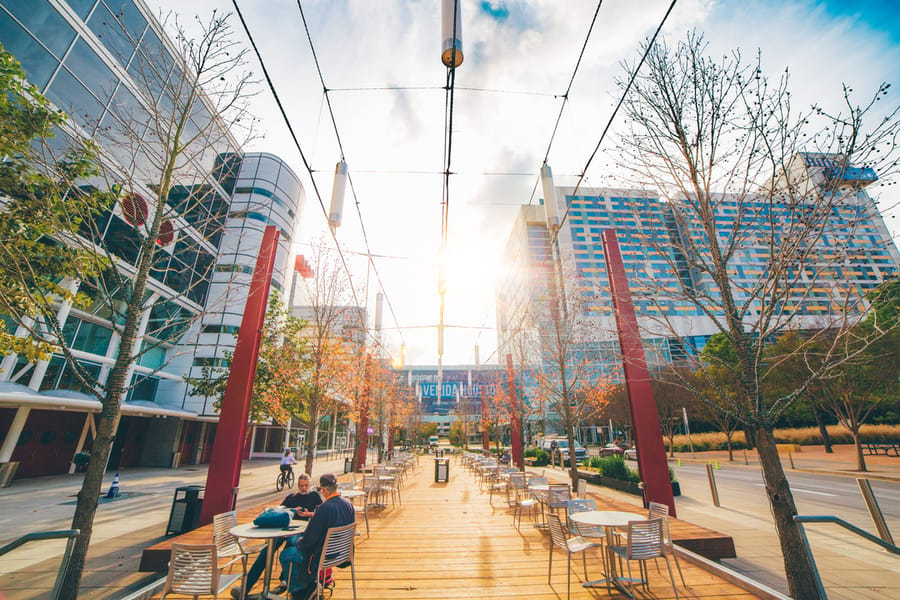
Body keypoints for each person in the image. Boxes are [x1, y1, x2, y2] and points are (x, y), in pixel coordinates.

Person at [231, 473, 322, 600]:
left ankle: (285, 579)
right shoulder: (291, 497)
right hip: (284, 527)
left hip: (300, 529)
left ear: (310, 484)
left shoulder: (314, 496)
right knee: (266, 551)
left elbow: (320, 514)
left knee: (291, 545)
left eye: (306, 485)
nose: (304, 488)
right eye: (301, 485)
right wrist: (291, 510)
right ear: (298, 485)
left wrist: (308, 514)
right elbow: (279, 510)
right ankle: (245, 588)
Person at [279, 473, 355, 600]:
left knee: (287, 554)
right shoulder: (348, 505)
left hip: (324, 558)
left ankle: (302, 592)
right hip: (343, 554)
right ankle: (310, 586)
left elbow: (308, 541)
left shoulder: (324, 508)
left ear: (324, 490)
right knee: (298, 550)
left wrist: (298, 542)